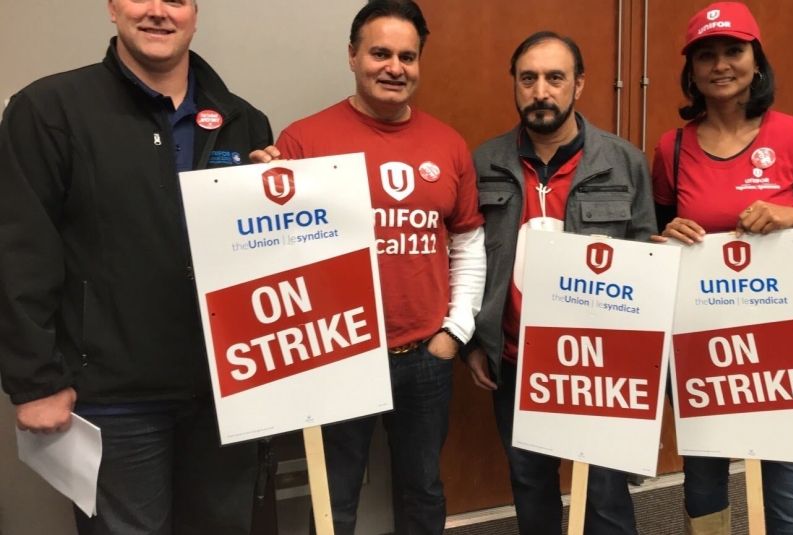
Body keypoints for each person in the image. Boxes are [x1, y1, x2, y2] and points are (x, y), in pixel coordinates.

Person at [0, 1, 274, 534]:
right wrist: (34, 381)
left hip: (226, 394)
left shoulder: (244, 118)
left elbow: (254, 255)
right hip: (115, 400)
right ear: (112, 7)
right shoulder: (48, 110)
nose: (157, 12)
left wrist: (280, 200)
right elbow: (19, 252)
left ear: (195, 13)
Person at [252, 1, 485, 533]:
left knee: (423, 488)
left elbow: (469, 240)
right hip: (339, 355)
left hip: (425, 354)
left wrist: (456, 331)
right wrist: (258, 193)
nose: (394, 67)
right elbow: (277, 250)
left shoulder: (447, 144)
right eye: (380, 53)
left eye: (408, 55)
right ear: (352, 56)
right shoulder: (303, 141)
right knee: (332, 495)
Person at [650, 3, 793, 534]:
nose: (720, 64)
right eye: (706, 55)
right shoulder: (671, 149)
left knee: (786, 491)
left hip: (780, 344)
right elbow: (659, 241)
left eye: (733, 51)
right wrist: (665, 236)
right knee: (704, 483)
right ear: (690, 71)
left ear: (756, 60)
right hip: (702, 344)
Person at [464, 31, 655, 535]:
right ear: (515, 84)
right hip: (515, 358)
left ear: (580, 84)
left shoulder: (624, 162)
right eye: (528, 79)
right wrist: (473, 343)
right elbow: (466, 259)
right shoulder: (483, 163)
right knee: (529, 480)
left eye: (555, 78)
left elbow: (644, 265)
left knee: (606, 489)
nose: (541, 92)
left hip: (600, 364)